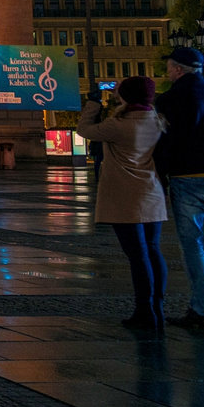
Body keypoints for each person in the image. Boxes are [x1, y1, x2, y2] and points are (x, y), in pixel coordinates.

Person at [78, 76, 169, 332]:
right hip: (151, 192)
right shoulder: (157, 121)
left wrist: (93, 105)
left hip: (124, 196)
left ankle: (145, 311)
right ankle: (157, 308)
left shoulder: (117, 124)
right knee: (153, 251)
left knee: (137, 256)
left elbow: (84, 130)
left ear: (127, 97)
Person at [156, 46, 204, 329]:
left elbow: (164, 141)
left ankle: (203, 309)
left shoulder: (169, 99)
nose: (168, 71)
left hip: (188, 177)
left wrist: (162, 175)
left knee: (193, 245)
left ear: (178, 69)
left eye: (169, 67)